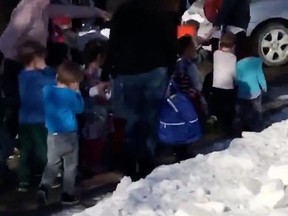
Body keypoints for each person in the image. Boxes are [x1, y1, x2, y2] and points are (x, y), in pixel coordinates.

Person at [0, 0, 111, 141]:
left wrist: (97, 12)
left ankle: (25, 150)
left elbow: (68, 11)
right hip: (18, 68)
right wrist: (24, 56)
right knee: (16, 115)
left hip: (32, 67)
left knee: (29, 115)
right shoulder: (28, 9)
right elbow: (4, 42)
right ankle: (8, 152)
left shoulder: (43, 8)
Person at [100, 0, 179, 180]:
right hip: (155, 68)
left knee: (131, 118)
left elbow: (114, 42)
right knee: (150, 117)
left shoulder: (123, 11)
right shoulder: (161, 11)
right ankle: (146, 161)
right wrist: (171, 67)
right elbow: (169, 42)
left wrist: (106, 72)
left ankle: (129, 162)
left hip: (127, 70)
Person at [37, 62, 85, 205]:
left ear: (57, 76)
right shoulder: (71, 95)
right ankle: (67, 194)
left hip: (52, 135)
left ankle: (44, 187)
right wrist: (78, 93)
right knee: (70, 167)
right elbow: (79, 109)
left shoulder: (47, 90)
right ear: (74, 83)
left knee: (52, 164)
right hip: (69, 136)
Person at [17, 40, 56, 192]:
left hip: (24, 118)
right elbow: (55, 81)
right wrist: (46, 68)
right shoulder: (38, 76)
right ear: (35, 59)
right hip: (40, 119)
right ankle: (49, 176)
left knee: (26, 149)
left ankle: (24, 180)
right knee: (43, 149)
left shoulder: (21, 75)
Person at [79, 40, 110, 176]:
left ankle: (89, 163)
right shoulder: (99, 74)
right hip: (97, 111)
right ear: (99, 56)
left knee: (89, 138)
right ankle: (93, 164)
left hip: (85, 110)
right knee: (95, 139)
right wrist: (100, 90)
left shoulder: (80, 71)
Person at [235, 38, 267, 132]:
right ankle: (257, 127)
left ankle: (245, 127)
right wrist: (264, 86)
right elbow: (260, 75)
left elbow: (236, 79)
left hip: (241, 93)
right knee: (256, 111)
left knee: (243, 111)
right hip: (255, 92)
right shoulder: (257, 61)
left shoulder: (238, 63)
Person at [174, 35, 207, 120]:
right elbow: (198, 87)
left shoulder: (177, 63)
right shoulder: (189, 66)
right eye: (193, 46)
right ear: (188, 48)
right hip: (191, 102)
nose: (194, 49)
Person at [210, 31, 237, 134]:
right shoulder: (233, 58)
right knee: (229, 109)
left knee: (217, 106)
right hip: (228, 87)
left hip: (216, 85)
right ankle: (227, 126)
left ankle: (214, 121)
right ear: (233, 46)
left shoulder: (216, 54)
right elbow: (234, 74)